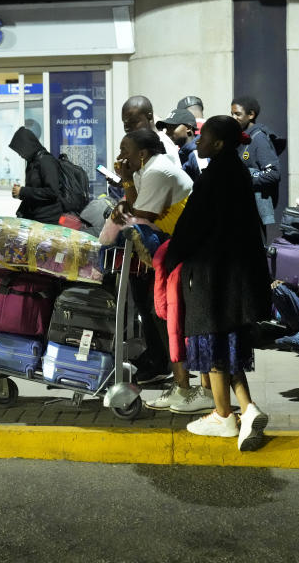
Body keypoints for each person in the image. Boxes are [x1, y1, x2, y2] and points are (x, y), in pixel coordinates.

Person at [163, 115, 271, 451]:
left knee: (211, 342)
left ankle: (224, 415)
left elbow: (191, 226)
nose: (198, 139)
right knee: (228, 345)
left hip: (213, 275)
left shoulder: (214, 177)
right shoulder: (236, 171)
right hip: (235, 275)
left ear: (220, 143)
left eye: (205, 136)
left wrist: (170, 258)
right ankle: (248, 409)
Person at [112, 128, 211, 412]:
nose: (121, 157)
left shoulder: (156, 171)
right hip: (174, 250)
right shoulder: (145, 171)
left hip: (191, 253)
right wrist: (128, 182)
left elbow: (141, 215)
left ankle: (200, 391)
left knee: (183, 319)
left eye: (125, 150)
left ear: (141, 154)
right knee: (166, 316)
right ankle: (182, 386)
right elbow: (134, 209)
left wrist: (126, 187)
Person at [230, 96, 281, 231]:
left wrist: (246, 177)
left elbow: (274, 173)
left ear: (251, 115)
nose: (234, 117)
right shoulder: (240, 138)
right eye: (232, 114)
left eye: (238, 114)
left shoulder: (259, 139)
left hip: (254, 212)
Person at [8, 126, 63, 225]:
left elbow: (52, 192)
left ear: (28, 146)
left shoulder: (46, 161)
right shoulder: (33, 162)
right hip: (34, 216)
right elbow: (35, 190)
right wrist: (20, 193)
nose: (20, 155)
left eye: (21, 151)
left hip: (46, 219)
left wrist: (23, 191)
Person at [121, 96, 178, 164]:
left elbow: (167, 173)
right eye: (125, 123)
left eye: (133, 122)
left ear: (149, 117)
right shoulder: (138, 144)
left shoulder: (164, 143)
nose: (127, 128)